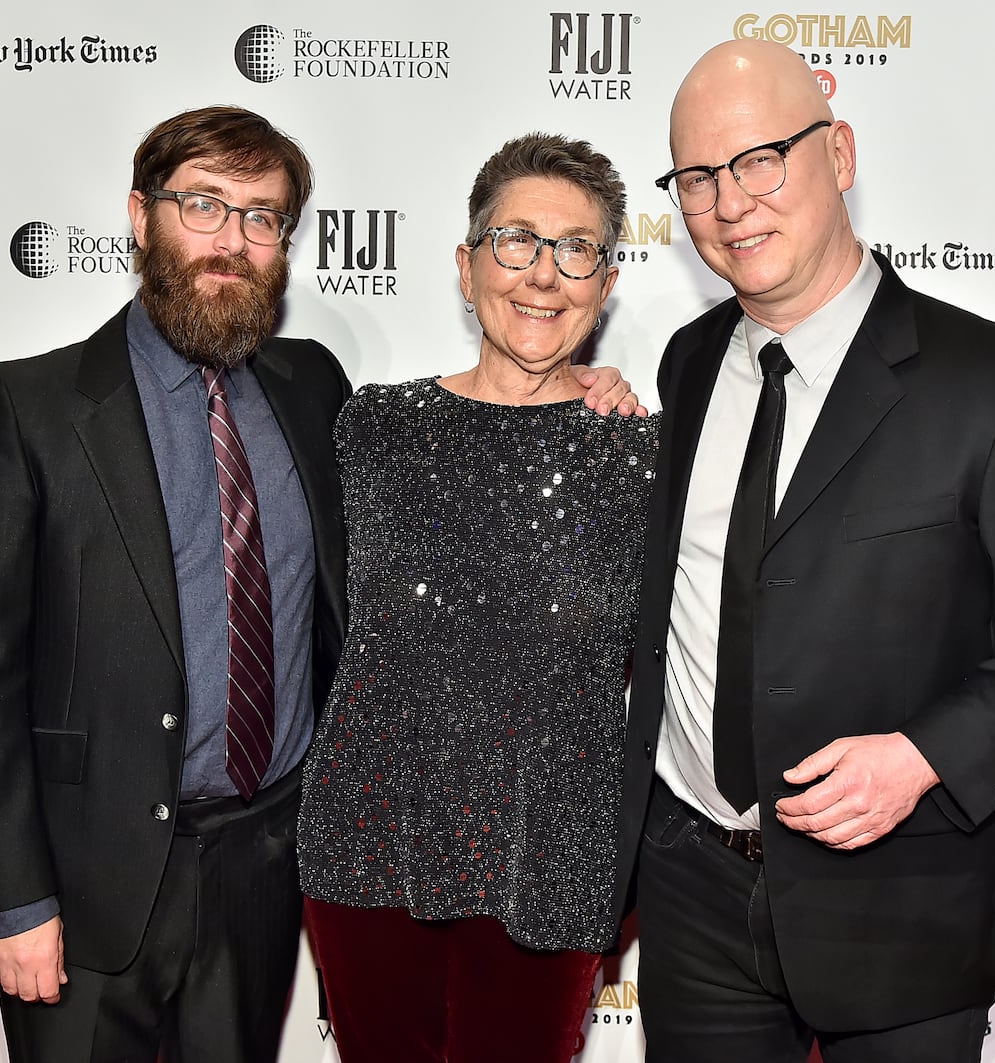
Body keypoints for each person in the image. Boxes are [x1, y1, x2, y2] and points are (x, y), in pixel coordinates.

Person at [0, 106, 637, 1063]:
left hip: (268, 870)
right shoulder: (27, 406)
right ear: (141, 217)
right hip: (90, 889)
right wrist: (12, 899)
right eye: (204, 206)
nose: (233, 240)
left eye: (262, 218)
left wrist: (595, 392)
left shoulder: (317, 393)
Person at [610, 40, 995, 1063]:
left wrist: (925, 755)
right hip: (690, 892)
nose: (730, 203)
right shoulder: (685, 362)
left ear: (838, 154)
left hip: (901, 898)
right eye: (698, 178)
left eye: (761, 158)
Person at [297, 133, 657, 1063]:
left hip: (555, 852)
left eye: (576, 249)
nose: (544, 274)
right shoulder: (371, 428)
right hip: (369, 843)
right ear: (467, 267)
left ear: (605, 283)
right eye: (515, 242)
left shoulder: (643, 457)